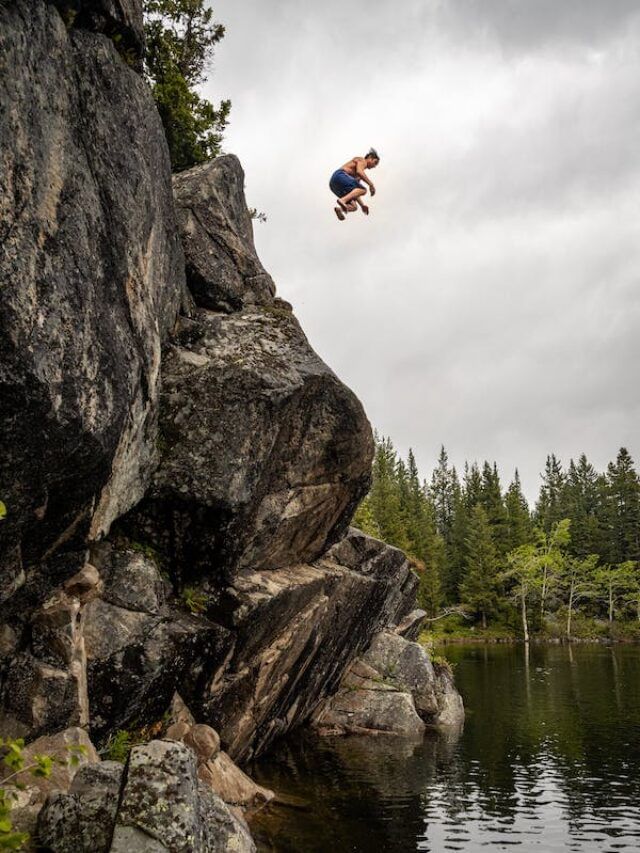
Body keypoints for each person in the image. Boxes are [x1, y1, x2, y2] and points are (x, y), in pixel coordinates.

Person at [329, 148, 380, 221]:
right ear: (370, 158)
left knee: (354, 207)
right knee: (364, 190)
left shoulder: (357, 176)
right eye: (375, 162)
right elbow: (359, 171)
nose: (374, 166)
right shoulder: (362, 160)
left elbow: (355, 192)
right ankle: (342, 200)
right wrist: (371, 185)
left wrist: (362, 205)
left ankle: (340, 209)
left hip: (333, 184)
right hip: (340, 175)